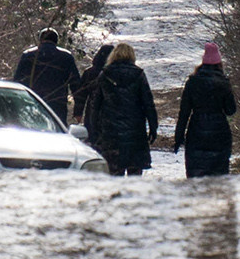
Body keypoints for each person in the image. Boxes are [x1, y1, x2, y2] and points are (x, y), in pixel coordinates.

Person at [173, 43, 239, 178]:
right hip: (219, 134)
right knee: (218, 176)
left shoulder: (192, 82)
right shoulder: (223, 82)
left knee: (196, 175)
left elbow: (184, 112)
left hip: (196, 132)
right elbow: (230, 110)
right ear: (219, 62)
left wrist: (178, 137)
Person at [94, 42, 157, 175]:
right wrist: (153, 126)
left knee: (114, 171)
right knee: (134, 170)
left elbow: (96, 104)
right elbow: (148, 103)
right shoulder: (138, 75)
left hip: (111, 132)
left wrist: (94, 129)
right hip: (135, 131)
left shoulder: (105, 75)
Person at [12, 28, 82, 124]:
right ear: (56, 41)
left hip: (32, 103)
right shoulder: (66, 57)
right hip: (57, 105)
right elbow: (76, 85)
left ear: (40, 40)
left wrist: (14, 108)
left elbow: (17, 83)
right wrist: (78, 111)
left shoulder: (28, 55)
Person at [73, 43, 116, 164]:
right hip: (112, 113)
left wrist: (78, 113)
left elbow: (81, 95)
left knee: (94, 141)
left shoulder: (90, 73)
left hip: (92, 113)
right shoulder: (115, 73)